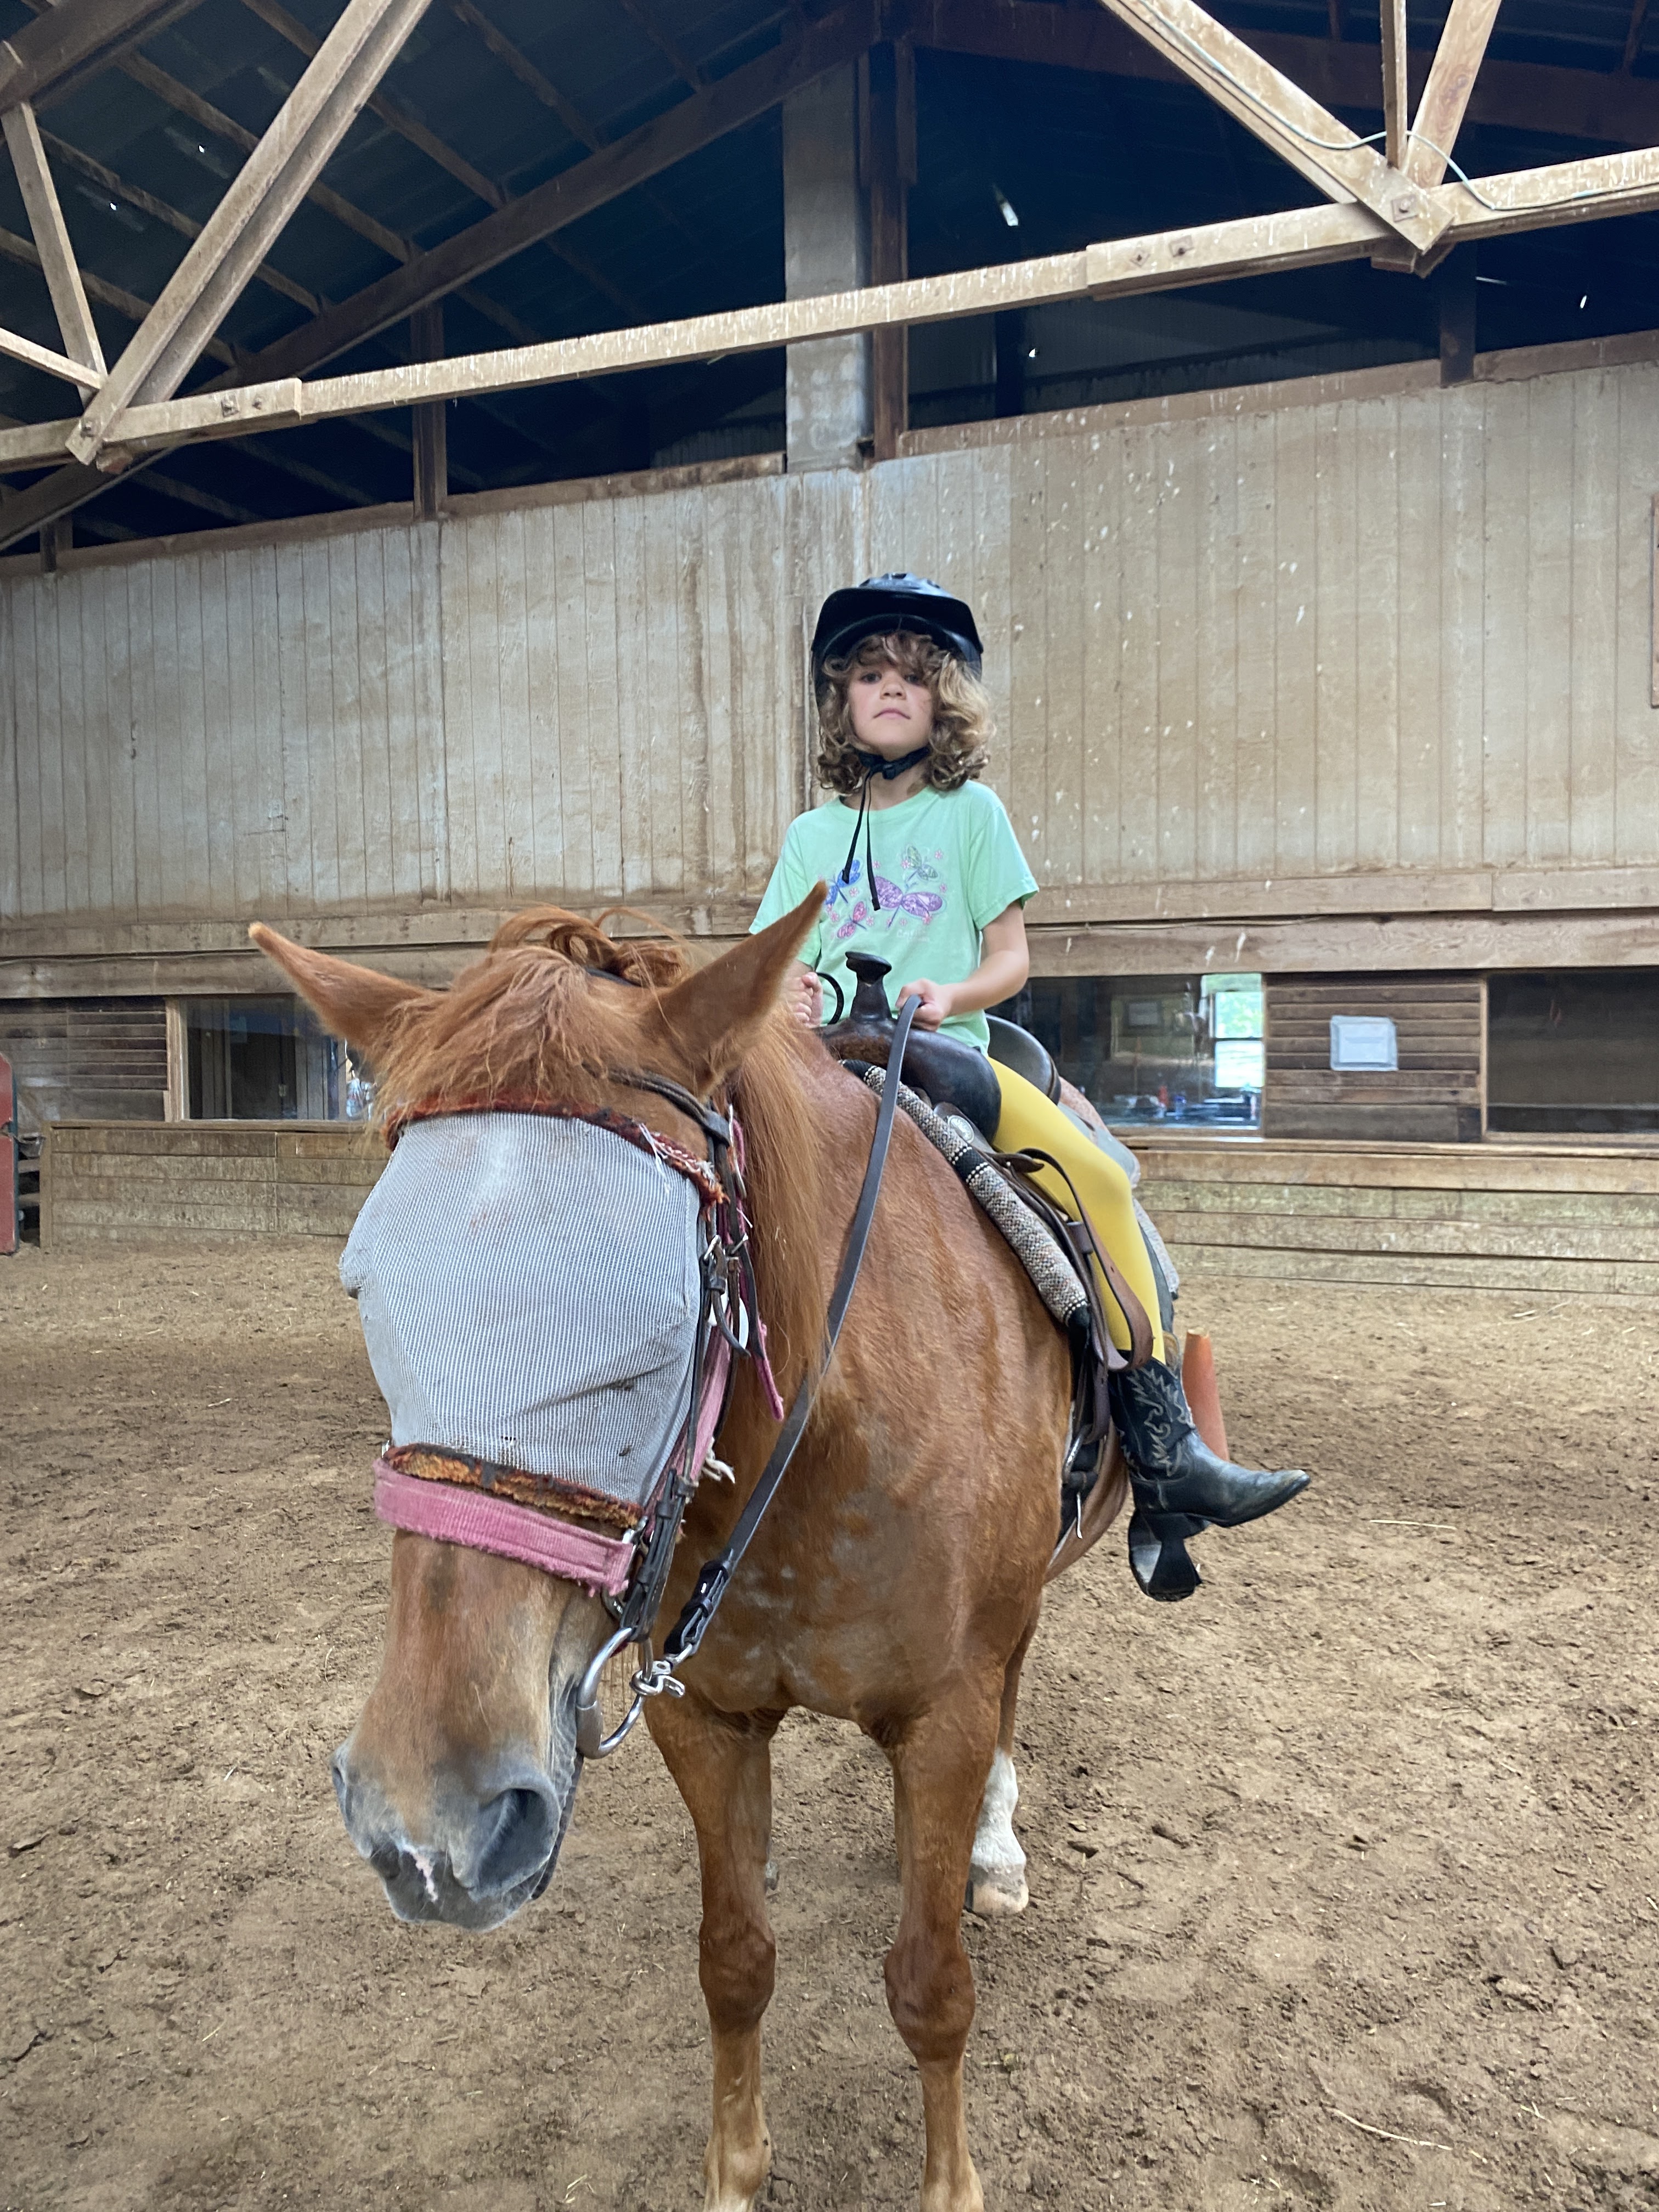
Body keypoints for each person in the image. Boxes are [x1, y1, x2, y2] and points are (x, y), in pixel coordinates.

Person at [752, 572, 1308, 1601]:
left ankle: (1163, 1443)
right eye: (869, 675)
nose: (889, 690)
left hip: (943, 1054)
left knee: (1097, 1180)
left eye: (911, 676)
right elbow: (775, 957)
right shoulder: (810, 838)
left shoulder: (972, 815)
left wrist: (949, 991)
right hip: (822, 1062)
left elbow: (1012, 959)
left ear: (942, 701)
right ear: (842, 702)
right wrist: (787, 993)